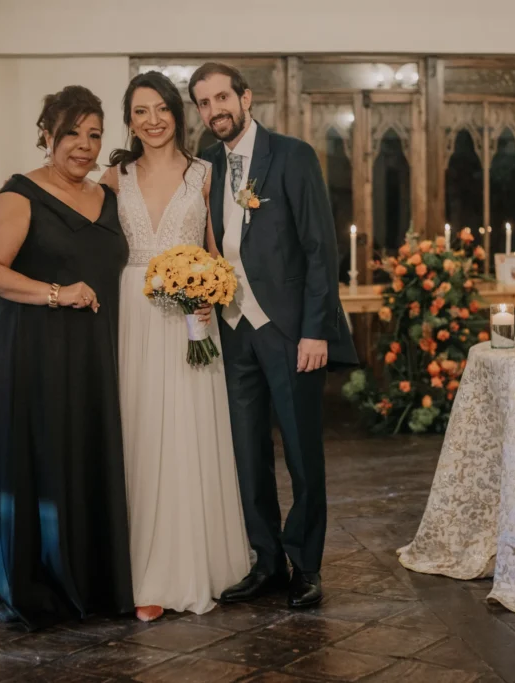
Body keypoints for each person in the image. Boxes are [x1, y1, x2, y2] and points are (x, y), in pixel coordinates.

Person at [191, 62, 358, 609]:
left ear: (245, 98)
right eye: (203, 102)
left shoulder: (291, 155)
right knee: (246, 453)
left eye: (222, 98)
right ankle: (266, 561)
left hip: (289, 331)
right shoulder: (206, 165)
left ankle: (305, 565)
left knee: (303, 455)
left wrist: (316, 331)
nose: (214, 110)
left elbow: (320, 248)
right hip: (233, 329)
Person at [0, 85, 134, 629]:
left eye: (94, 135)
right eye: (72, 133)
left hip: (97, 350)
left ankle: (96, 580)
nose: (84, 146)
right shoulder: (20, 195)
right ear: (47, 134)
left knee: (91, 450)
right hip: (39, 347)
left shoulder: (107, 197)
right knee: (48, 453)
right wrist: (56, 293)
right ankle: (44, 582)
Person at [100, 72, 250, 621]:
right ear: (129, 119)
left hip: (191, 318)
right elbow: (94, 247)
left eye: (161, 108)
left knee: (189, 434)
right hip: (132, 315)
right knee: (139, 432)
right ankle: (145, 575)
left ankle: (196, 565)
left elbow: (217, 250)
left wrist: (213, 293)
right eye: (141, 111)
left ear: (176, 114)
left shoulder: (204, 173)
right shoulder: (113, 177)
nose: (153, 120)